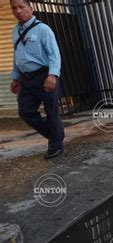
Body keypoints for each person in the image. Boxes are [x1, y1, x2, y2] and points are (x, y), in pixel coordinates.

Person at [10, 0, 64, 159]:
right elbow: (17, 57)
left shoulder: (43, 29)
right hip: (26, 80)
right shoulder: (15, 31)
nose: (18, 11)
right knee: (25, 111)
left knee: (51, 112)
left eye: (21, 7)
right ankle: (56, 135)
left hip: (44, 76)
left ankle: (55, 146)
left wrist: (53, 75)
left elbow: (54, 54)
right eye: (14, 8)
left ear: (30, 8)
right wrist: (15, 78)